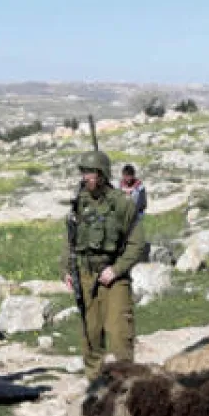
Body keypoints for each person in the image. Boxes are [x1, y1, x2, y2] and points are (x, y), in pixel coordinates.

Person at [62, 151, 145, 380]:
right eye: (83, 172)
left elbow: (137, 244)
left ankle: (126, 388)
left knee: (120, 336)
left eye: (89, 172)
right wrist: (67, 269)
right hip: (86, 275)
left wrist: (116, 270)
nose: (84, 177)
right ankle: (95, 388)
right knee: (90, 337)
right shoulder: (80, 201)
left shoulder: (122, 204)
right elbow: (70, 237)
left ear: (101, 174)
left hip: (114, 278)